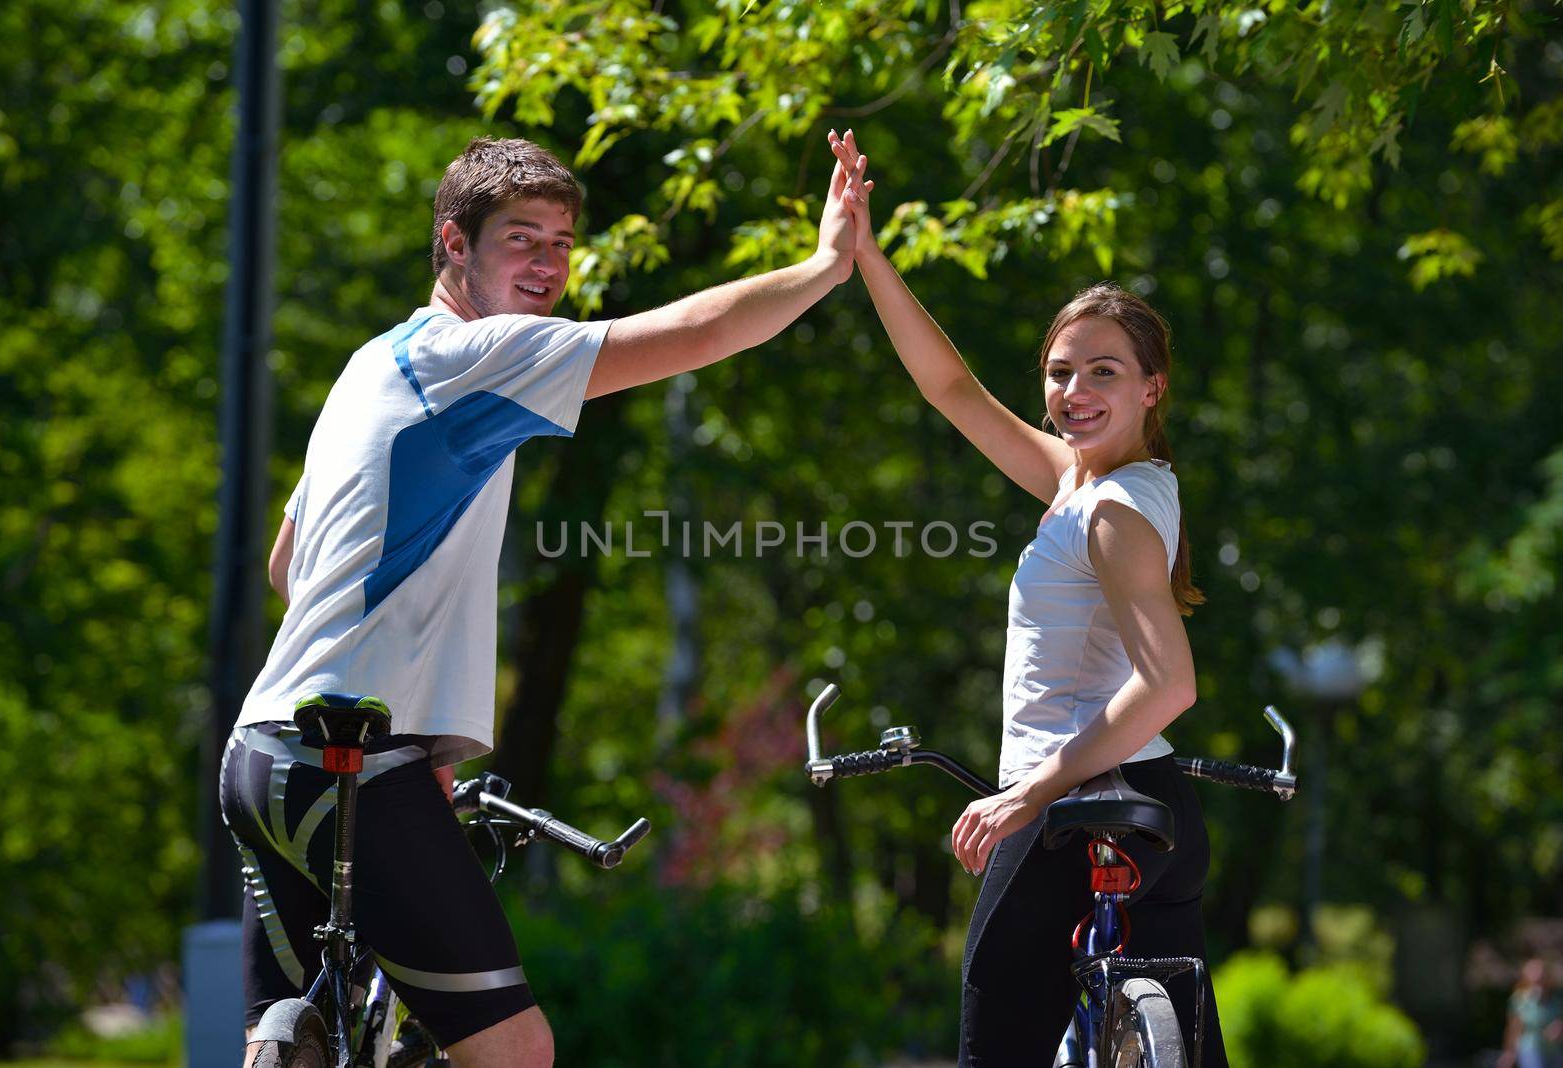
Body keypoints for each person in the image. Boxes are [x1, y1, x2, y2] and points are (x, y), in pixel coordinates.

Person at [220, 135, 868, 1068]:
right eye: (522, 240)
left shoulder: (371, 364)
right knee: (516, 1052)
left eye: (563, 244)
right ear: (455, 242)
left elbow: (291, 564)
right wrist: (823, 266)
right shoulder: (482, 353)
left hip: (260, 755)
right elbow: (696, 335)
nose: (549, 265)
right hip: (352, 765)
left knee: (290, 1042)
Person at [827, 130, 1225, 1066]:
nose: (1074, 390)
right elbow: (953, 389)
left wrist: (1029, 794)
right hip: (1156, 807)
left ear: (1152, 386)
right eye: (1060, 371)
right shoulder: (1092, 483)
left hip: (1066, 808)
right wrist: (866, 257)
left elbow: (1170, 687)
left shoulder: (1107, 512)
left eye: (1104, 371)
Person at [1499, 958, 1563, 1068]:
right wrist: (1509, 1052)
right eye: (1534, 972)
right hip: (1530, 1049)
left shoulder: (1558, 998)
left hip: (1555, 1050)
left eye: (1541, 973)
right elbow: (1514, 1028)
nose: (1538, 976)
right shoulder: (1519, 1000)